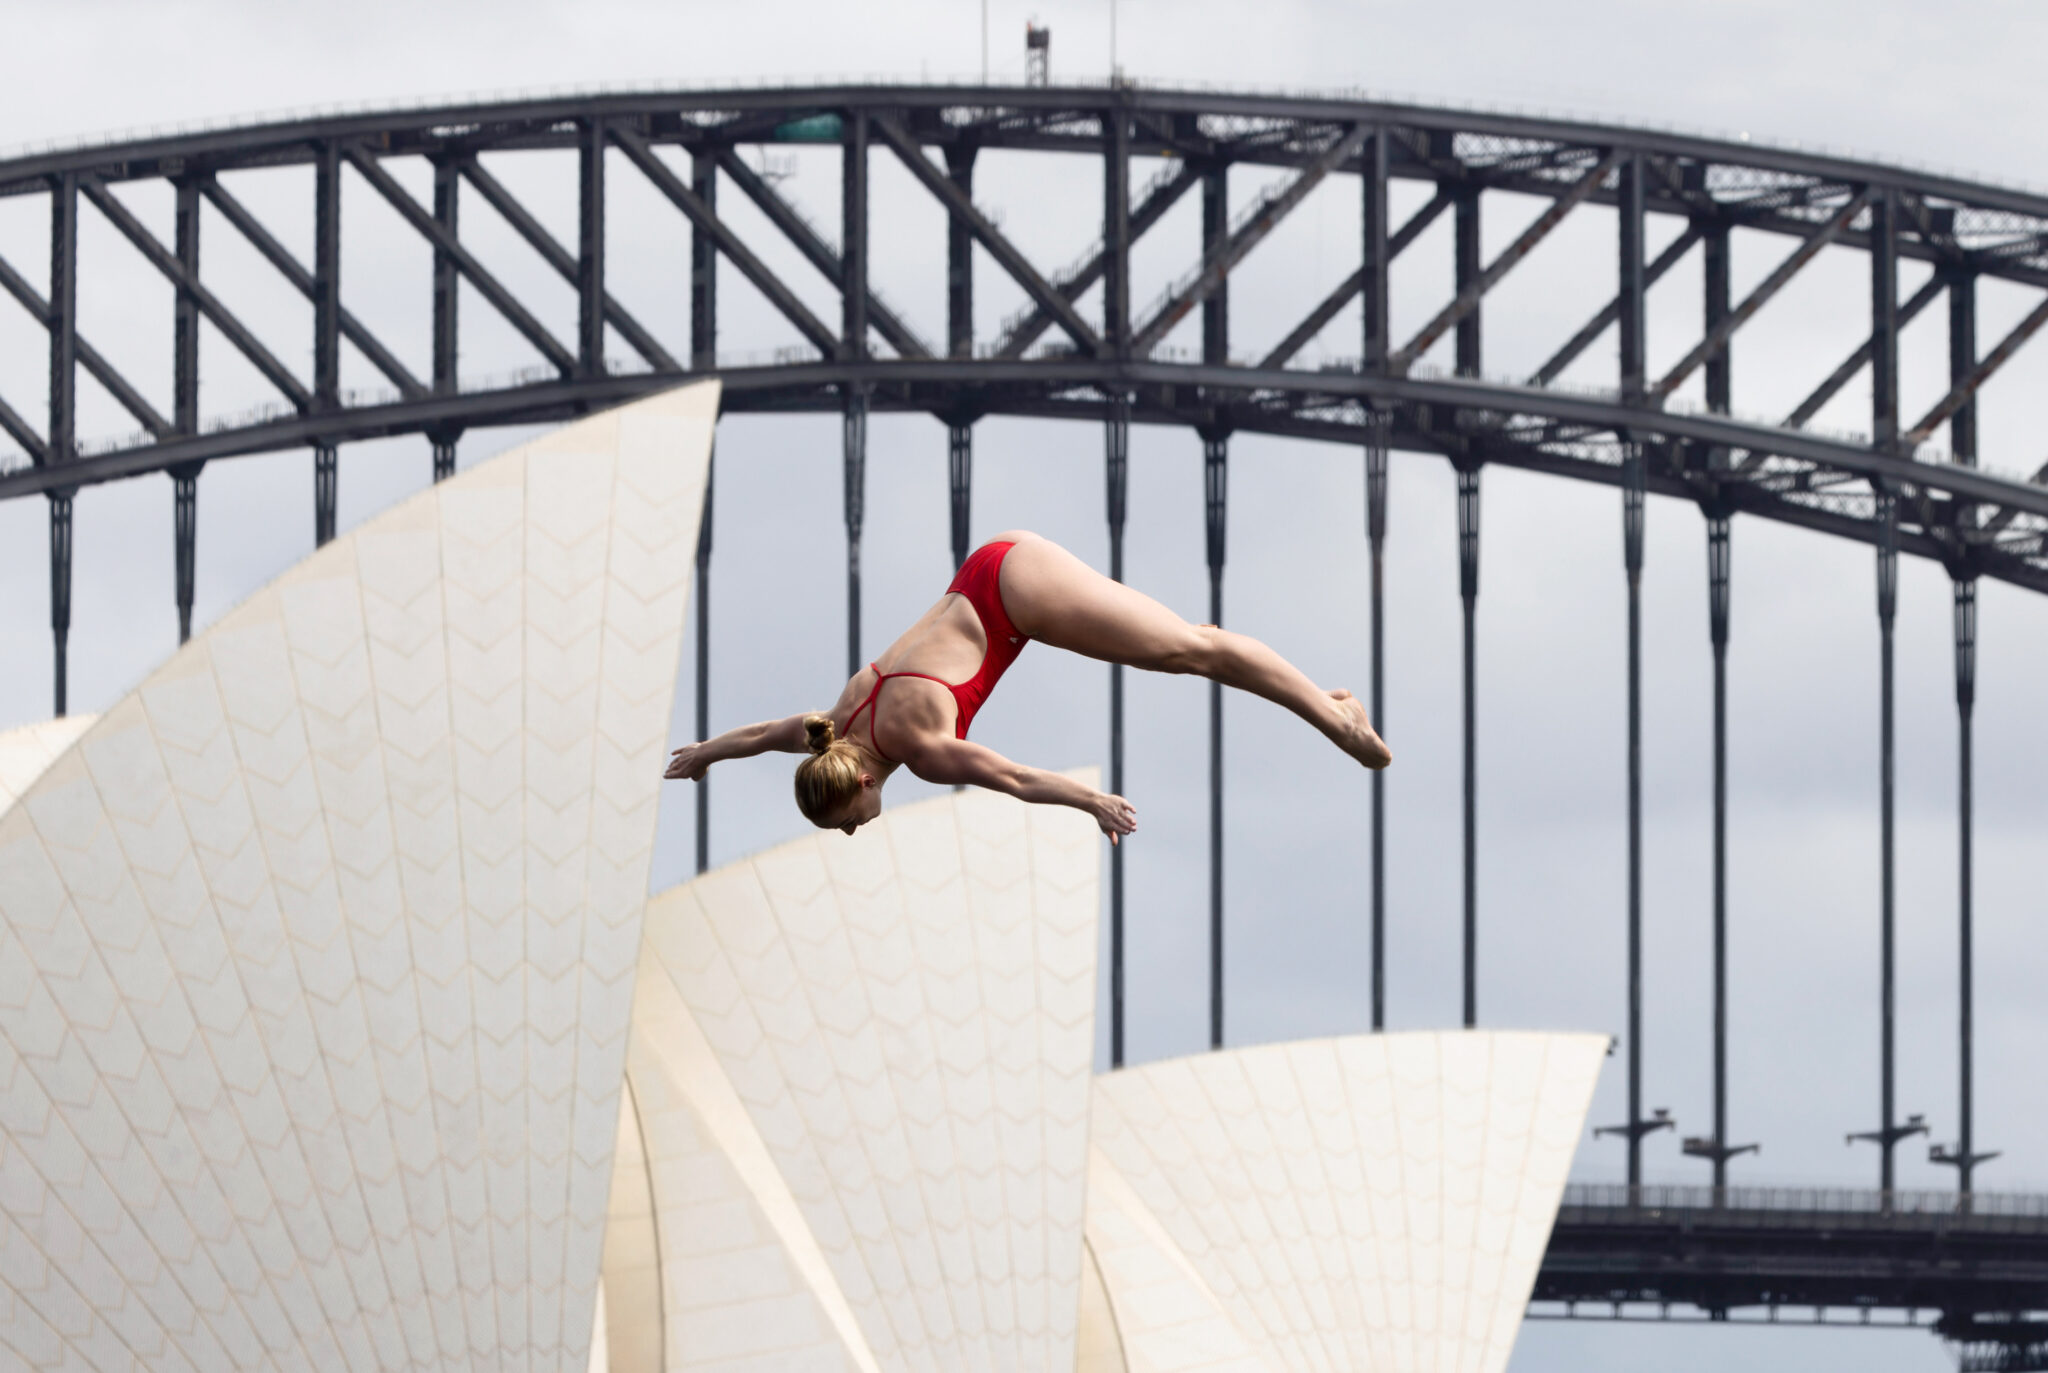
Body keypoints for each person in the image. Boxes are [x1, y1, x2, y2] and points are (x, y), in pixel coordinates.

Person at [663, 531, 1391, 842]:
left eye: (846, 821)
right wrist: (703, 753)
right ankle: (1331, 708)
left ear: (856, 787)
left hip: (1017, 596)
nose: (854, 829)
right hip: (989, 566)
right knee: (1182, 650)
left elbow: (1012, 777)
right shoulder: (832, 722)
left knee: (1187, 649)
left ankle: (1339, 724)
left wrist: (1092, 801)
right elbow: (759, 737)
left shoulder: (919, 747)